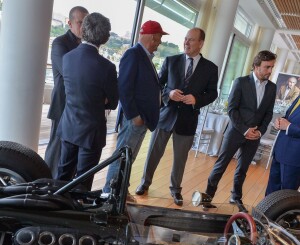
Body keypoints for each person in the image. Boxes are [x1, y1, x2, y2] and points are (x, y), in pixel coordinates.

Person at [135, 27, 218, 206]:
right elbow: (156, 85)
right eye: (186, 39)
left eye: (191, 40)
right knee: (153, 154)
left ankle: (175, 190)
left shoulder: (211, 68)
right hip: (166, 116)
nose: (186, 42)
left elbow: (212, 93)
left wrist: (197, 99)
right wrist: (169, 94)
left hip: (188, 121)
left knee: (180, 159)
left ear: (201, 43)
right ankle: (144, 183)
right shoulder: (171, 60)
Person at [102, 20, 168, 198]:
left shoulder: (144, 56)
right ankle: (109, 192)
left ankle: (121, 191)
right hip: (136, 119)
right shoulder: (133, 54)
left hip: (142, 119)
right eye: (159, 37)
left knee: (128, 158)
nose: (160, 42)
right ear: (152, 37)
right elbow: (123, 87)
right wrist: (135, 115)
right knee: (122, 157)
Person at [205, 50, 277, 205]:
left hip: (254, 136)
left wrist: (259, 132)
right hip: (236, 132)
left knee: (243, 169)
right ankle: (208, 196)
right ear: (256, 66)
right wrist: (245, 129)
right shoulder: (241, 82)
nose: (270, 71)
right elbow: (231, 109)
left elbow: (268, 113)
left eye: (272, 67)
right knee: (221, 165)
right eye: (267, 67)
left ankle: (236, 197)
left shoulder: (272, 87)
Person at [56, 12, 118, 190]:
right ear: (105, 38)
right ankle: (76, 214)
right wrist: (101, 99)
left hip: (68, 125)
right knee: (83, 181)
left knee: (62, 175)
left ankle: (53, 210)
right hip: (91, 132)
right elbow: (113, 102)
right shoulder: (107, 67)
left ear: (83, 30)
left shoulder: (67, 58)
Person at [45, 6, 89, 178]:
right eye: (80, 23)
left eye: (86, 23)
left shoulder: (85, 45)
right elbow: (69, 73)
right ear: (69, 23)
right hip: (63, 104)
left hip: (78, 108)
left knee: (70, 154)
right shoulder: (60, 43)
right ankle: (45, 186)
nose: (84, 27)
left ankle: (63, 190)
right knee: (56, 151)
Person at [265, 95, 300, 195]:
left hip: (294, 158)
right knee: (271, 191)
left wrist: (289, 126)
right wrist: (280, 121)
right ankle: (265, 210)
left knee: (286, 196)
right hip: (280, 151)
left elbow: (290, 125)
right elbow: (291, 118)